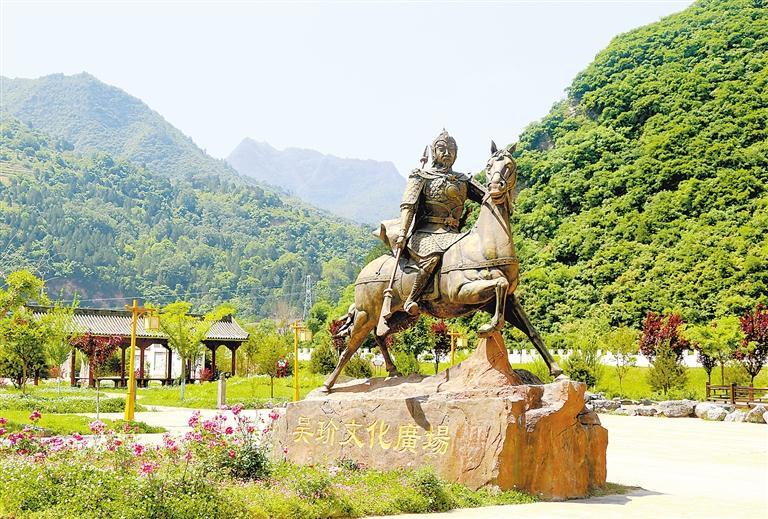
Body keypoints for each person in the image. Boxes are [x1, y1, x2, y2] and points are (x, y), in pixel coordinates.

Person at [383, 130, 486, 315]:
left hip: (455, 235)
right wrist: (402, 233)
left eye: (451, 149)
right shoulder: (422, 176)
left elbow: (487, 197)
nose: (447, 153)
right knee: (433, 258)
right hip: (426, 234)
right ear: (434, 152)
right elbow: (408, 206)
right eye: (442, 148)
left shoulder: (463, 180)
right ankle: (412, 299)